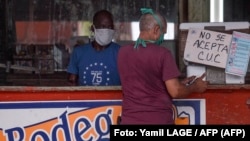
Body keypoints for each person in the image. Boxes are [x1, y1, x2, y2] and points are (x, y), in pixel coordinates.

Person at [117, 8, 208, 125]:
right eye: (163, 33)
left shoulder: (122, 53)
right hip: (157, 121)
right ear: (156, 29)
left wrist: (180, 83)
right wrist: (195, 87)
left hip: (129, 122)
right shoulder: (163, 54)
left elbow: (144, 82)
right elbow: (175, 92)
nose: (162, 37)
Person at [67, 9, 121, 86]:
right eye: (103, 26)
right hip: (86, 98)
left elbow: (129, 81)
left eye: (110, 27)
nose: (107, 30)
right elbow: (71, 82)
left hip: (113, 98)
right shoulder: (79, 52)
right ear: (93, 28)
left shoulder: (120, 52)